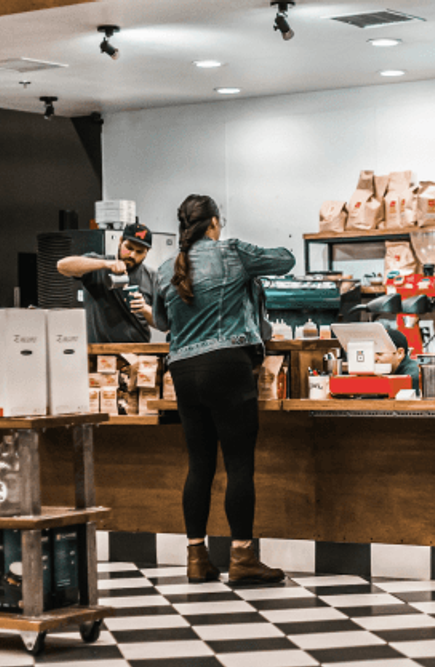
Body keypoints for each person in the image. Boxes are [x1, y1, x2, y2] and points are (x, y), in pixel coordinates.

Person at [154, 194, 295, 585]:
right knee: (238, 465)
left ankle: (196, 558)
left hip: (182, 370)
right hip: (227, 365)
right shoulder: (232, 252)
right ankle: (242, 557)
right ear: (214, 223)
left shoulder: (168, 266)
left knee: (199, 465)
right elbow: (286, 260)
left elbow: (161, 319)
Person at [56, 223, 157, 343]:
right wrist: (105, 264)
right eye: (129, 248)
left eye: (139, 252)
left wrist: (144, 308)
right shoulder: (97, 267)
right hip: (101, 352)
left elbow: (162, 324)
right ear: (120, 241)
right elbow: (62, 266)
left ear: (147, 252)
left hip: (138, 352)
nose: (132, 255)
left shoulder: (152, 277)